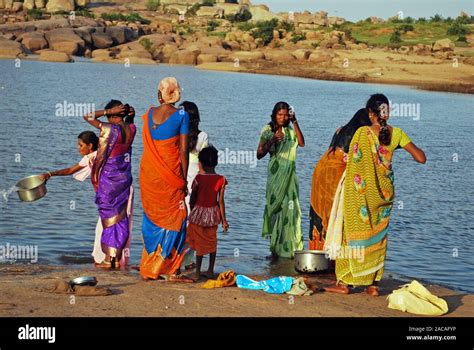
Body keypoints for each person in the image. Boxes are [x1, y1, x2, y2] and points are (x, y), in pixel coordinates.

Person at [325, 94, 426, 296]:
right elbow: (421, 158)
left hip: (360, 195)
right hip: (384, 196)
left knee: (350, 235)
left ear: (370, 113)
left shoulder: (362, 133)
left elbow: (352, 163)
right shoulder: (397, 133)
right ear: (387, 113)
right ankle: (373, 285)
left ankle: (344, 283)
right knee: (377, 237)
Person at [139, 77, 193, 282]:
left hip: (148, 173)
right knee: (178, 217)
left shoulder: (148, 114)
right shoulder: (182, 115)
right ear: (178, 94)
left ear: (159, 93)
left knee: (153, 216)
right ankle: (170, 270)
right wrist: (184, 180)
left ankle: (150, 266)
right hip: (170, 175)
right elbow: (183, 150)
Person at [83, 100, 136, 269]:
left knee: (108, 216)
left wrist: (106, 111)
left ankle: (108, 259)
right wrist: (129, 117)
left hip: (109, 179)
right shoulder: (131, 129)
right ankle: (114, 258)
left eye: (111, 114)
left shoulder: (111, 129)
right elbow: (129, 123)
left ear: (114, 113)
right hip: (123, 179)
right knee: (119, 217)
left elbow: (87, 116)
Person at [309, 108, 371, 250]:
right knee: (334, 212)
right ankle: (332, 256)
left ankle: (317, 252)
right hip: (333, 174)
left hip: (321, 169)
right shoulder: (359, 135)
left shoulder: (340, 129)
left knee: (319, 213)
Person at [257, 102, 305, 259]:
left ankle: (289, 248)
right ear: (274, 115)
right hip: (276, 176)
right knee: (275, 210)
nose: (283, 118)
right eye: (280, 115)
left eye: (285, 115)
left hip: (290, 176)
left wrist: (295, 121)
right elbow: (259, 154)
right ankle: (275, 249)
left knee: (291, 211)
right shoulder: (267, 130)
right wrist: (272, 140)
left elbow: (302, 143)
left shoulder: (291, 131)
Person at [187, 146, 228, 281]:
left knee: (199, 243)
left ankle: (198, 272)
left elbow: (193, 199)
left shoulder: (198, 179)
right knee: (212, 241)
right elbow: (220, 202)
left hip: (199, 214)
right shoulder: (221, 179)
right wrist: (224, 220)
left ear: (201, 163)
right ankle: (210, 270)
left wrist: (193, 211)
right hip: (213, 215)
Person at [180, 101, 209, 270]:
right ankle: (189, 260)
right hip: (195, 183)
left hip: (179, 180)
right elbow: (203, 165)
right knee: (194, 223)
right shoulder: (202, 136)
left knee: (180, 221)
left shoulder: (177, 134)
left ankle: (177, 257)